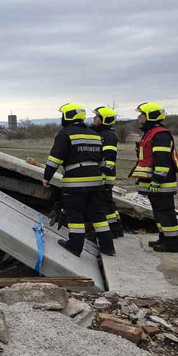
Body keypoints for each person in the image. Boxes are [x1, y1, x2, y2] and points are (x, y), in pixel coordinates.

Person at [41, 103, 115, 257]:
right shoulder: (94, 134)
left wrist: (47, 177)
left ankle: (75, 246)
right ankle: (108, 247)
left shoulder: (65, 134)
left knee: (75, 215)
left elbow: (55, 159)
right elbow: (101, 160)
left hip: (75, 182)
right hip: (96, 182)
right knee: (98, 215)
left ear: (68, 116)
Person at [130, 102, 178, 253]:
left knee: (166, 213)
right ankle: (164, 238)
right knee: (159, 213)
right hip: (155, 182)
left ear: (150, 116)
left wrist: (157, 181)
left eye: (142, 114)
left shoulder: (160, 134)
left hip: (162, 183)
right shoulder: (152, 132)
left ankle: (173, 244)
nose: (139, 116)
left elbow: (162, 160)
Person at [91, 106, 123, 238]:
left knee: (104, 203)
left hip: (104, 176)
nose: (94, 118)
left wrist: (102, 177)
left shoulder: (108, 136)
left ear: (103, 119)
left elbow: (109, 159)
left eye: (97, 116)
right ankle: (116, 228)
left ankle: (112, 231)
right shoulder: (102, 133)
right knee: (108, 202)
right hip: (102, 175)